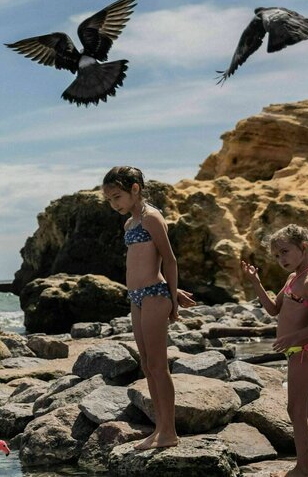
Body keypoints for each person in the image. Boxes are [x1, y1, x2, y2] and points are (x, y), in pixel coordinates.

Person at [102, 166, 195, 451]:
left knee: (158, 364)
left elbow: (169, 259)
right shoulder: (130, 224)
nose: (113, 203)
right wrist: (174, 289)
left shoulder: (152, 218)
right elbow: (143, 261)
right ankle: (159, 429)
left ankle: (169, 432)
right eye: (109, 200)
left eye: (117, 196)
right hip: (137, 297)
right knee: (146, 365)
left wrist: (170, 295)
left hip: (155, 295)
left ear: (135, 189)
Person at [241, 224, 308, 477]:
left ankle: (302, 468)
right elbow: (273, 309)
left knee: (295, 410)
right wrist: (257, 282)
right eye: (277, 256)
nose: (281, 259)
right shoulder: (293, 279)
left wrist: (291, 337)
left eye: (285, 252)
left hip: (305, 351)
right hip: (295, 350)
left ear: (303, 247)